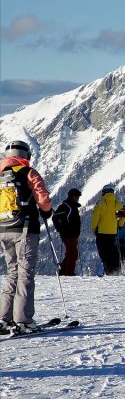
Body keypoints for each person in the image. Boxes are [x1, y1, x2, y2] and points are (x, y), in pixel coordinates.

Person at [0, 140, 53, 333]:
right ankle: (23, 321)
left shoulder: (1, 175)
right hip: (25, 230)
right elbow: (43, 198)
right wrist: (46, 211)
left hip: (4, 230)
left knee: (12, 273)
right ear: (26, 155)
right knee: (25, 274)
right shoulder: (28, 172)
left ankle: (3, 319)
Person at [91, 184, 123, 275]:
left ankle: (109, 271)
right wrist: (119, 225)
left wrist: (94, 229)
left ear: (103, 192)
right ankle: (116, 271)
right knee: (113, 252)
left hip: (101, 232)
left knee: (104, 253)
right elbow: (123, 216)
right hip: (113, 232)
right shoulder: (117, 203)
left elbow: (95, 218)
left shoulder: (100, 203)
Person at [52, 188, 82, 276]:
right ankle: (69, 273)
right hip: (68, 234)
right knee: (72, 254)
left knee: (71, 253)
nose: (77, 198)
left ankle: (63, 271)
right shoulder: (67, 206)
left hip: (72, 234)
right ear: (71, 196)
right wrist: (60, 229)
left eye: (78, 196)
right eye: (76, 196)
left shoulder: (72, 206)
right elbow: (55, 217)